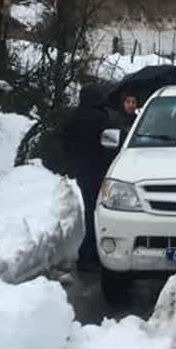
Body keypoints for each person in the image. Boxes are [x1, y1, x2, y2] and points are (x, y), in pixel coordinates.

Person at [63, 83, 115, 272]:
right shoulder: (102, 118)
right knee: (100, 213)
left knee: (89, 210)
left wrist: (72, 164)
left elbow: (65, 142)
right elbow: (110, 145)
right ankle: (91, 254)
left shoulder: (73, 117)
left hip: (83, 172)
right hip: (101, 173)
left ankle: (89, 253)